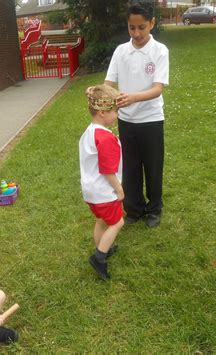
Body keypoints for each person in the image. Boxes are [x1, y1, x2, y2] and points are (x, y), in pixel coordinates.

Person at [105, 0, 169, 228]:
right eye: (132, 28)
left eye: (141, 27)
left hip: (151, 120)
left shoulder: (159, 51)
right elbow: (109, 82)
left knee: (152, 167)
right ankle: (134, 209)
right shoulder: (121, 52)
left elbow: (158, 88)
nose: (136, 32)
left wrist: (132, 97)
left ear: (152, 23)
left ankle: (154, 209)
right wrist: (98, 92)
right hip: (126, 121)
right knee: (130, 168)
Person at [80, 84, 124, 280]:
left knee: (101, 220)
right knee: (117, 223)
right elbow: (108, 170)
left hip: (91, 192)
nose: (116, 115)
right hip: (104, 192)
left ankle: (103, 247)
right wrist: (119, 190)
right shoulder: (105, 138)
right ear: (102, 112)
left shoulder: (89, 132)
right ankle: (99, 257)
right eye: (114, 111)